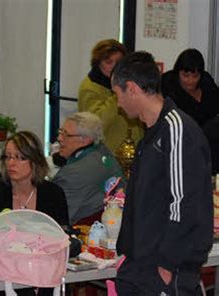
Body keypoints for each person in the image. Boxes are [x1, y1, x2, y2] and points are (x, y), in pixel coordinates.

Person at [112, 51, 213, 295]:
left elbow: (184, 202)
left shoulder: (176, 129)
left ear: (133, 89)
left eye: (117, 94)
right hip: (139, 262)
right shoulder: (151, 133)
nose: (118, 103)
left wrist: (168, 263)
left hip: (164, 266)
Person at [51, 112, 124, 225]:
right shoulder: (104, 153)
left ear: (85, 140)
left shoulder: (73, 174)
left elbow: (55, 220)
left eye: (66, 134)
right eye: (60, 132)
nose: (59, 138)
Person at [0, 131, 69, 227]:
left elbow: (63, 234)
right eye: (7, 157)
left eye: (20, 157)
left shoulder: (54, 194)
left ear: (35, 161)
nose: (11, 163)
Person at [78, 39, 144, 154]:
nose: (114, 67)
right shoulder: (89, 87)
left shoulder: (128, 82)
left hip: (134, 149)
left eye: (118, 62)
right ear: (98, 63)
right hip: (107, 154)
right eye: (108, 62)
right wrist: (117, 94)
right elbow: (94, 124)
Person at [162, 48, 219, 174]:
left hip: (211, 146)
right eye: (185, 75)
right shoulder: (167, 85)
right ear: (178, 72)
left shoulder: (206, 82)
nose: (190, 81)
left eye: (195, 76)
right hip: (183, 145)